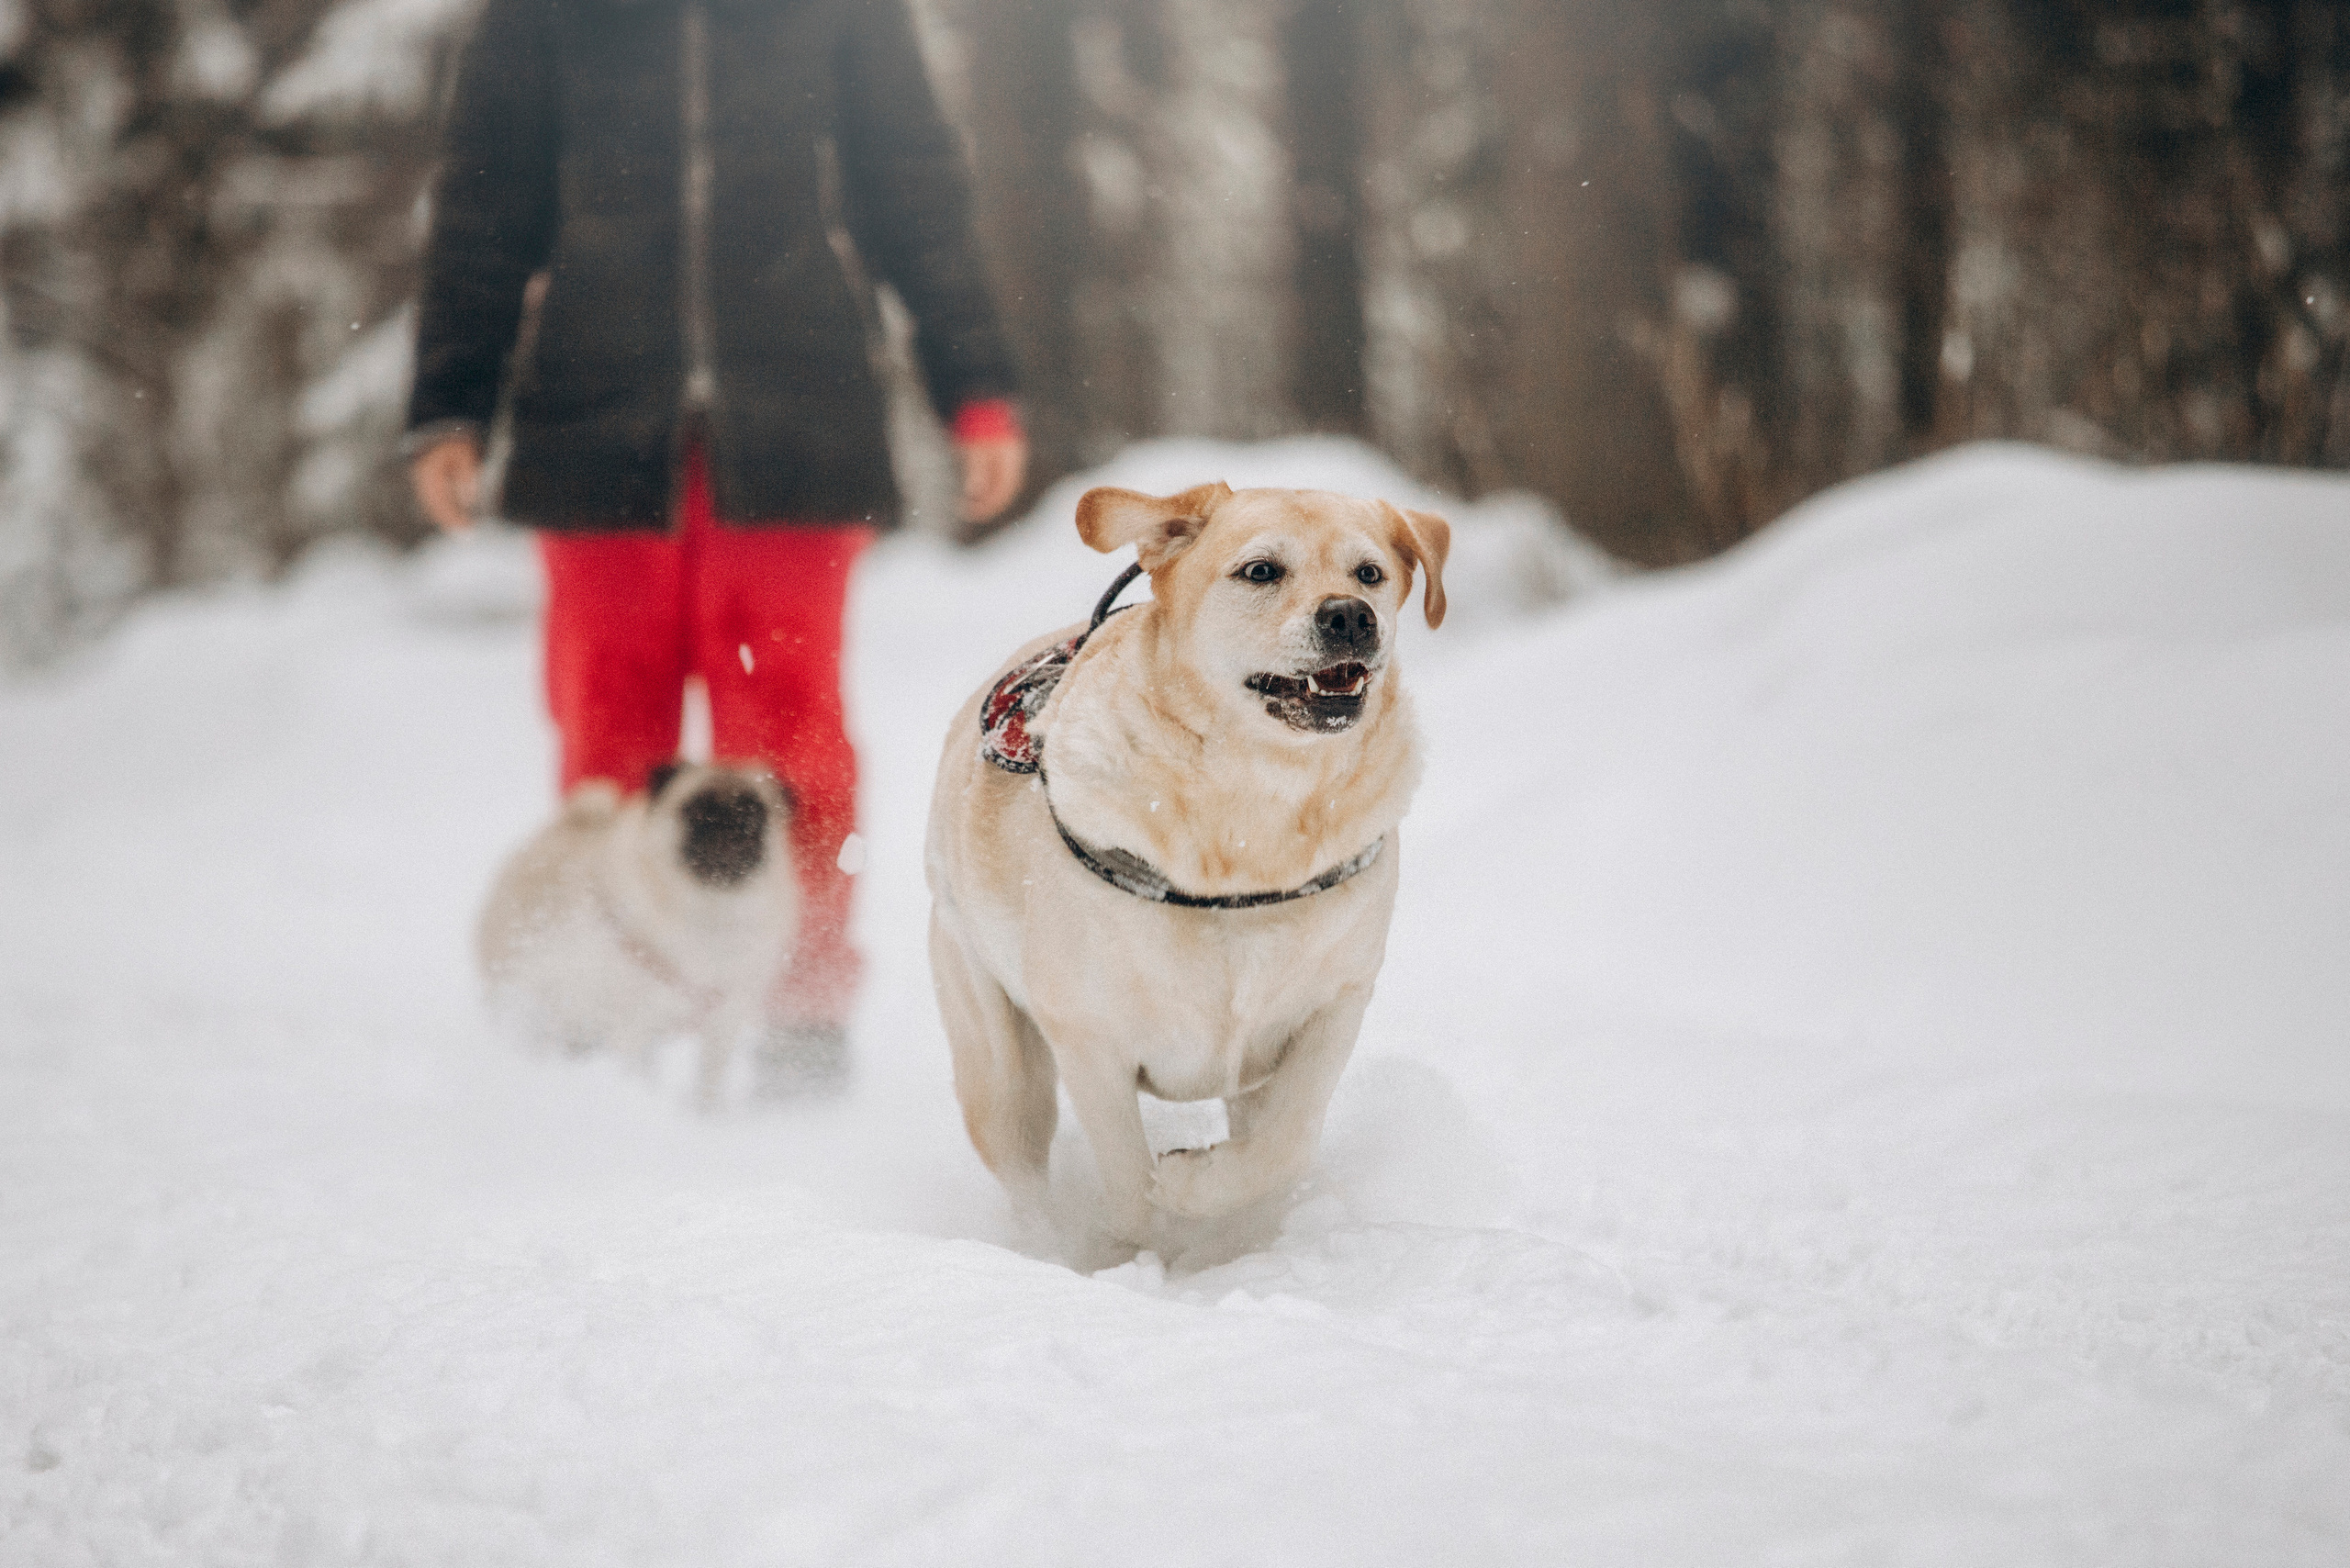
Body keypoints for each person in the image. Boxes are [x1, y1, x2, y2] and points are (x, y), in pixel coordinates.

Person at [404, 0, 1028, 1085]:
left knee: (793, 739)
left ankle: (803, 1007)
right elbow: (483, 206)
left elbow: (910, 185)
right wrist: (449, 403)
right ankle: (608, 996)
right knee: (610, 737)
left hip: (795, 417)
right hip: (594, 423)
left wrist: (973, 386)